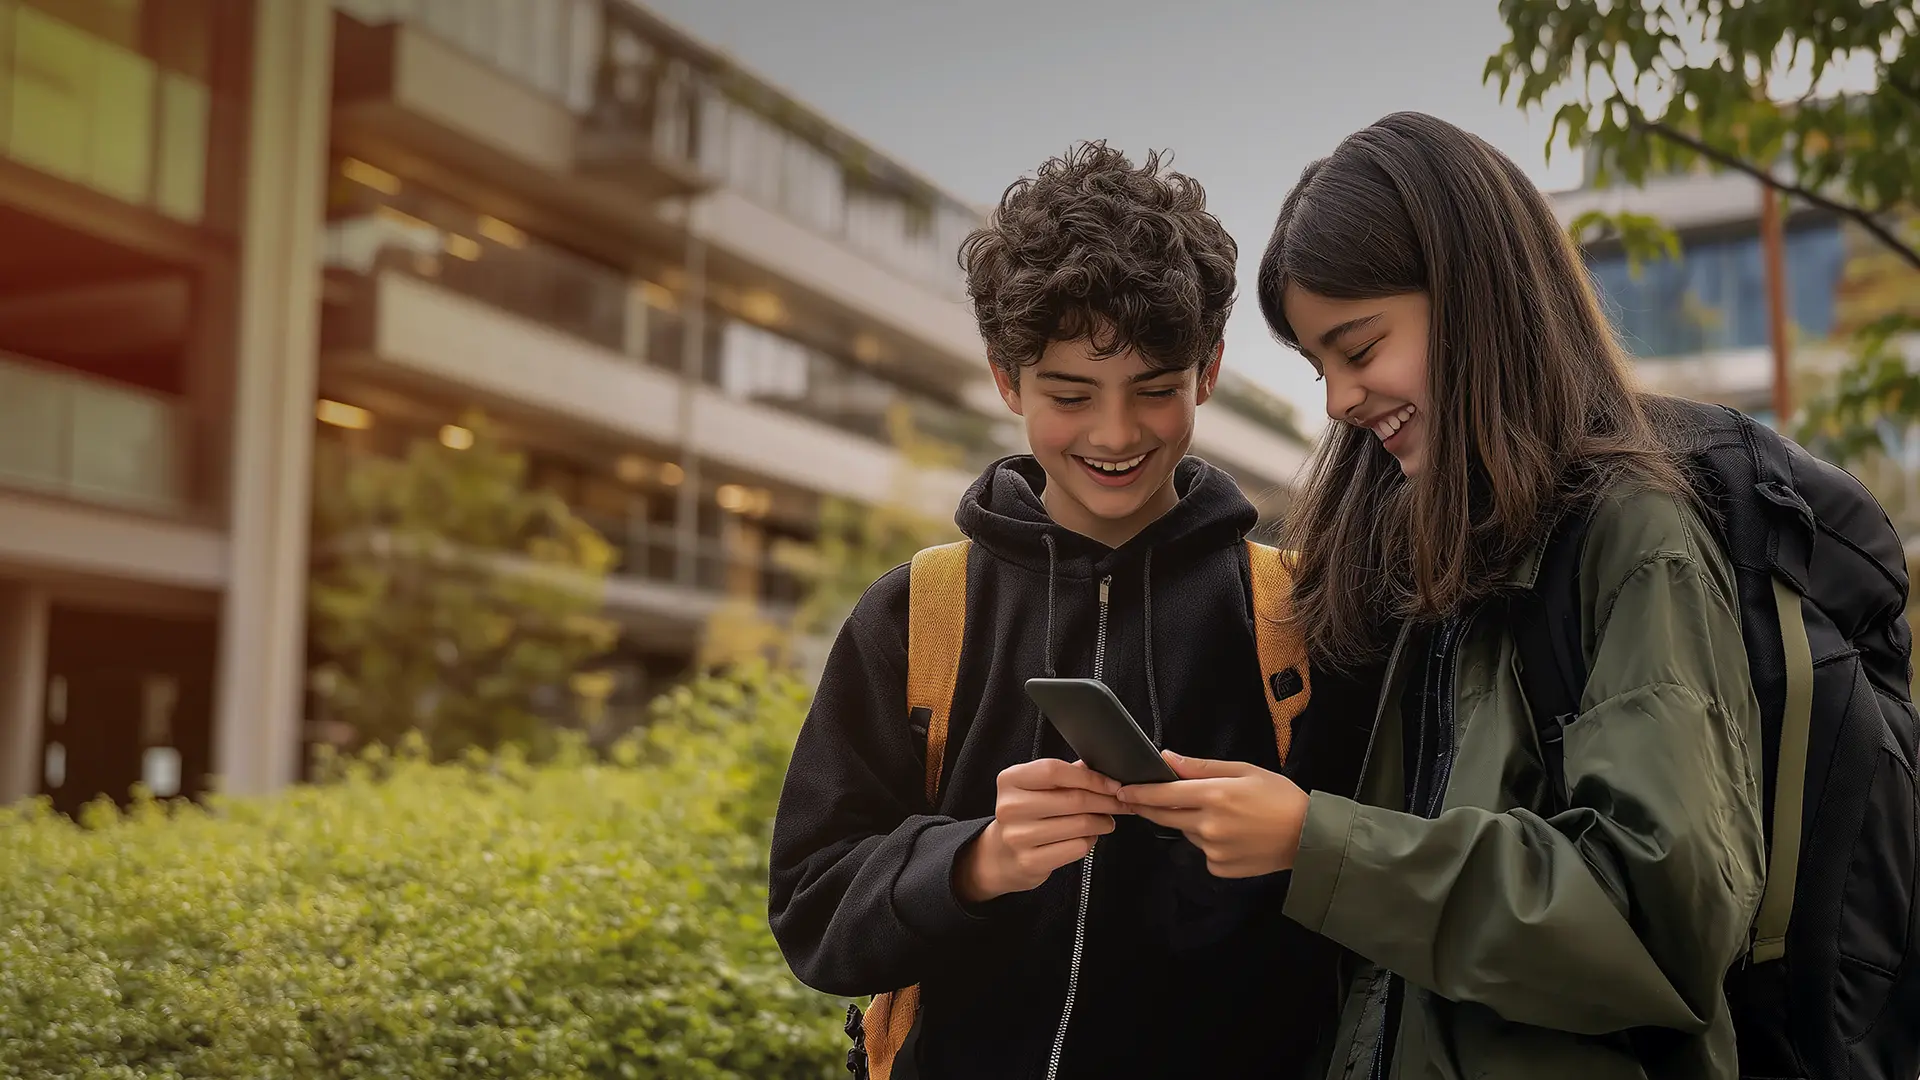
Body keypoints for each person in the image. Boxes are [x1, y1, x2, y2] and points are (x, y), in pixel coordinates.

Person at [1119, 111, 1766, 1080]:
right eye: (1318, 365)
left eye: (1359, 347)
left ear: (1472, 297)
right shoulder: (1430, 557)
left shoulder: (1636, 541)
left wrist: (1317, 845)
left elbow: (1657, 916)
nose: (1338, 399)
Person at [767, 142, 1366, 1079]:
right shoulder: (916, 615)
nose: (1116, 434)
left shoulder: (1301, 615)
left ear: (1207, 371)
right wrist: (974, 862)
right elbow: (811, 913)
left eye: (1157, 390)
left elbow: (1383, 892)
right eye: (1070, 394)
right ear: (1008, 379)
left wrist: (1297, 839)